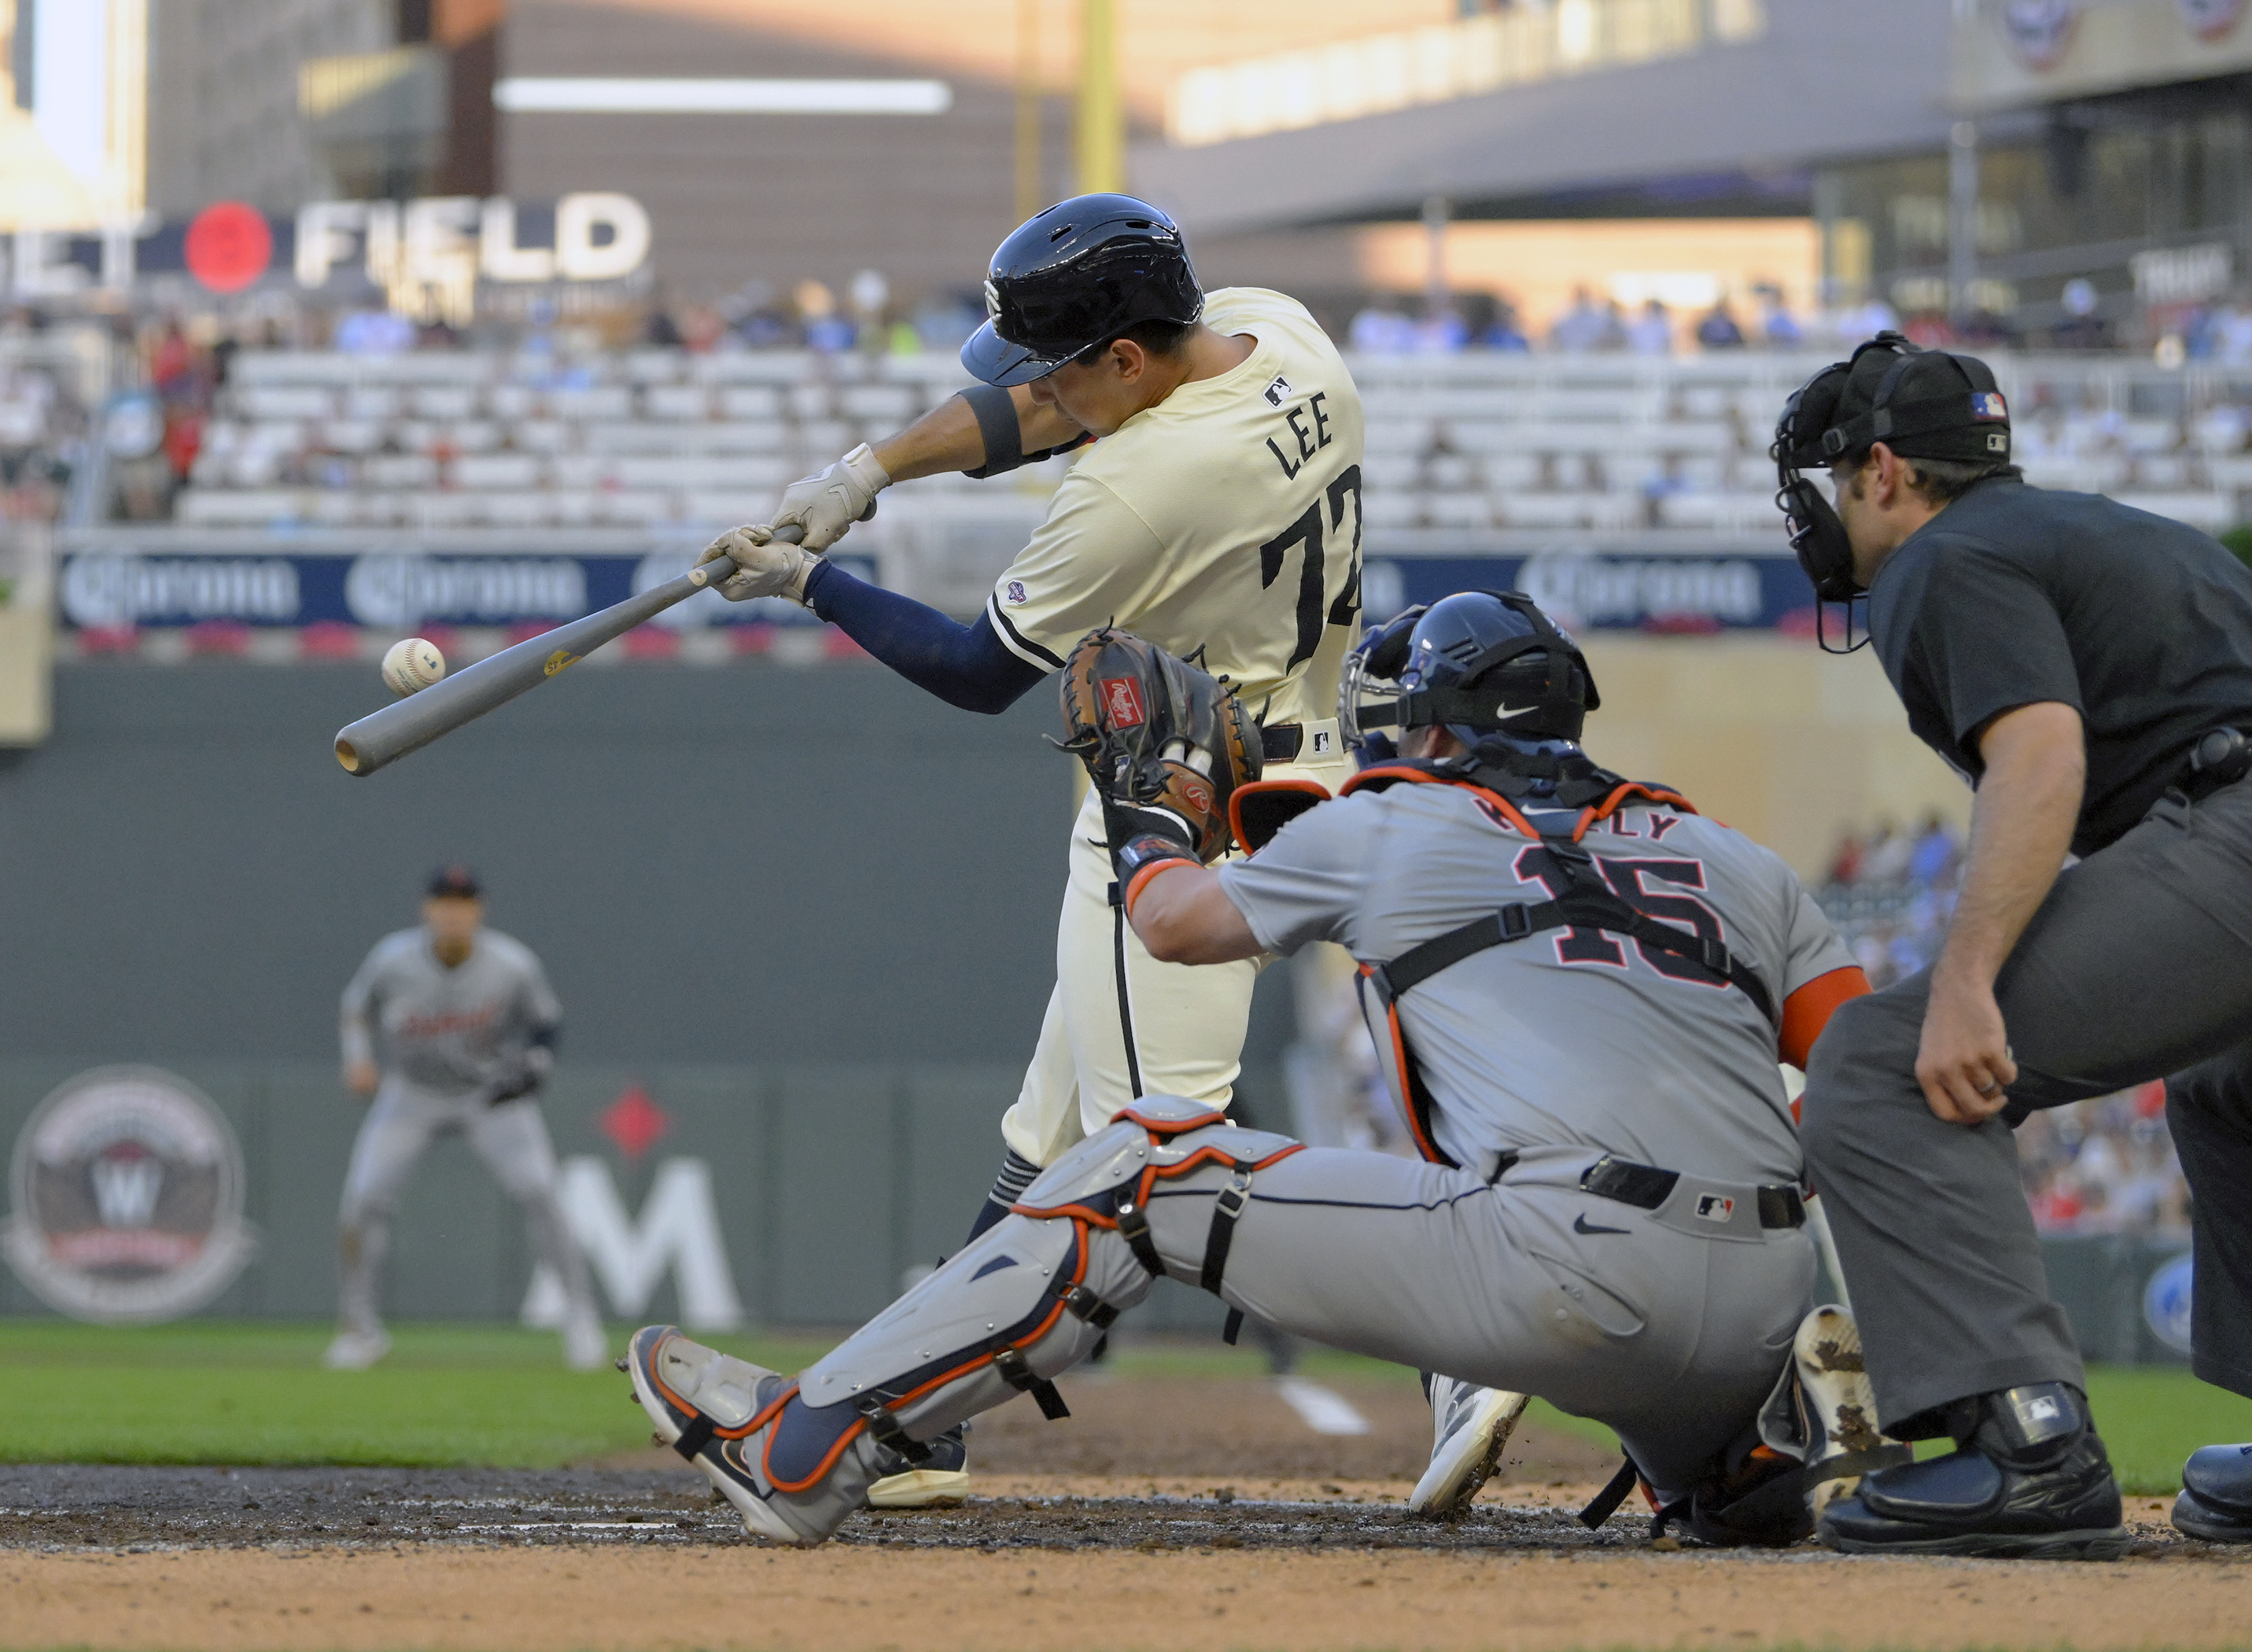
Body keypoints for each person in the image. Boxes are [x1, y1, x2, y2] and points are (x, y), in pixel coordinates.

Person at [621, 596, 1890, 1547]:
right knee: (1690, 1421)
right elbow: (1861, 1080)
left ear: (1432, 730)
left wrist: (1150, 804)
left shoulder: (1393, 821)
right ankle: (1744, 1459)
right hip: (1770, 1280)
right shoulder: (1736, 857)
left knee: (1144, 1160)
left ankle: (801, 1450)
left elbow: (1172, 922)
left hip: (1564, 1263)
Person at [691, 194, 1364, 1506]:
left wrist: (810, 581)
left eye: (1062, 363)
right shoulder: (1280, 336)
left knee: (1154, 1175)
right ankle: (911, 1422)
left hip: (1181, 815)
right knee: (1046, 1136)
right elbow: (1051, 407)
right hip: (1306, 760)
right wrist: (866, 473)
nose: (1039, 394)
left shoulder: (1137, 485)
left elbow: (971, 669)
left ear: (1125, 359)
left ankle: (1460, 1328)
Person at [1771, 330, 2252, 1558]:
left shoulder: (1939, 561)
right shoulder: (2105, 528)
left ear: (1882, 473)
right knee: (2245, 1095)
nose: (1837, 516)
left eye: (1839, 488)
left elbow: (2041, 755)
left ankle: (2025, 1449)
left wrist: (1966, 982)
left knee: (1886, 1060)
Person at [330, 865, 603, 1372]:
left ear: (479, 912)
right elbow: (355, 1004)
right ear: (426, 911)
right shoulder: (393, 960)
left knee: (542, 1192)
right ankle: (358, 1329)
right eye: (444, 903)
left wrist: (538, 1062)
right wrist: (358, 1058)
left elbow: (546, 1022)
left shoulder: (512, 964)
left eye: (463, 903)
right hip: (412, 1094)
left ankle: (580, 1319)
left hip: (488, 1096)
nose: (453, 913)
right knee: (362, 1199)